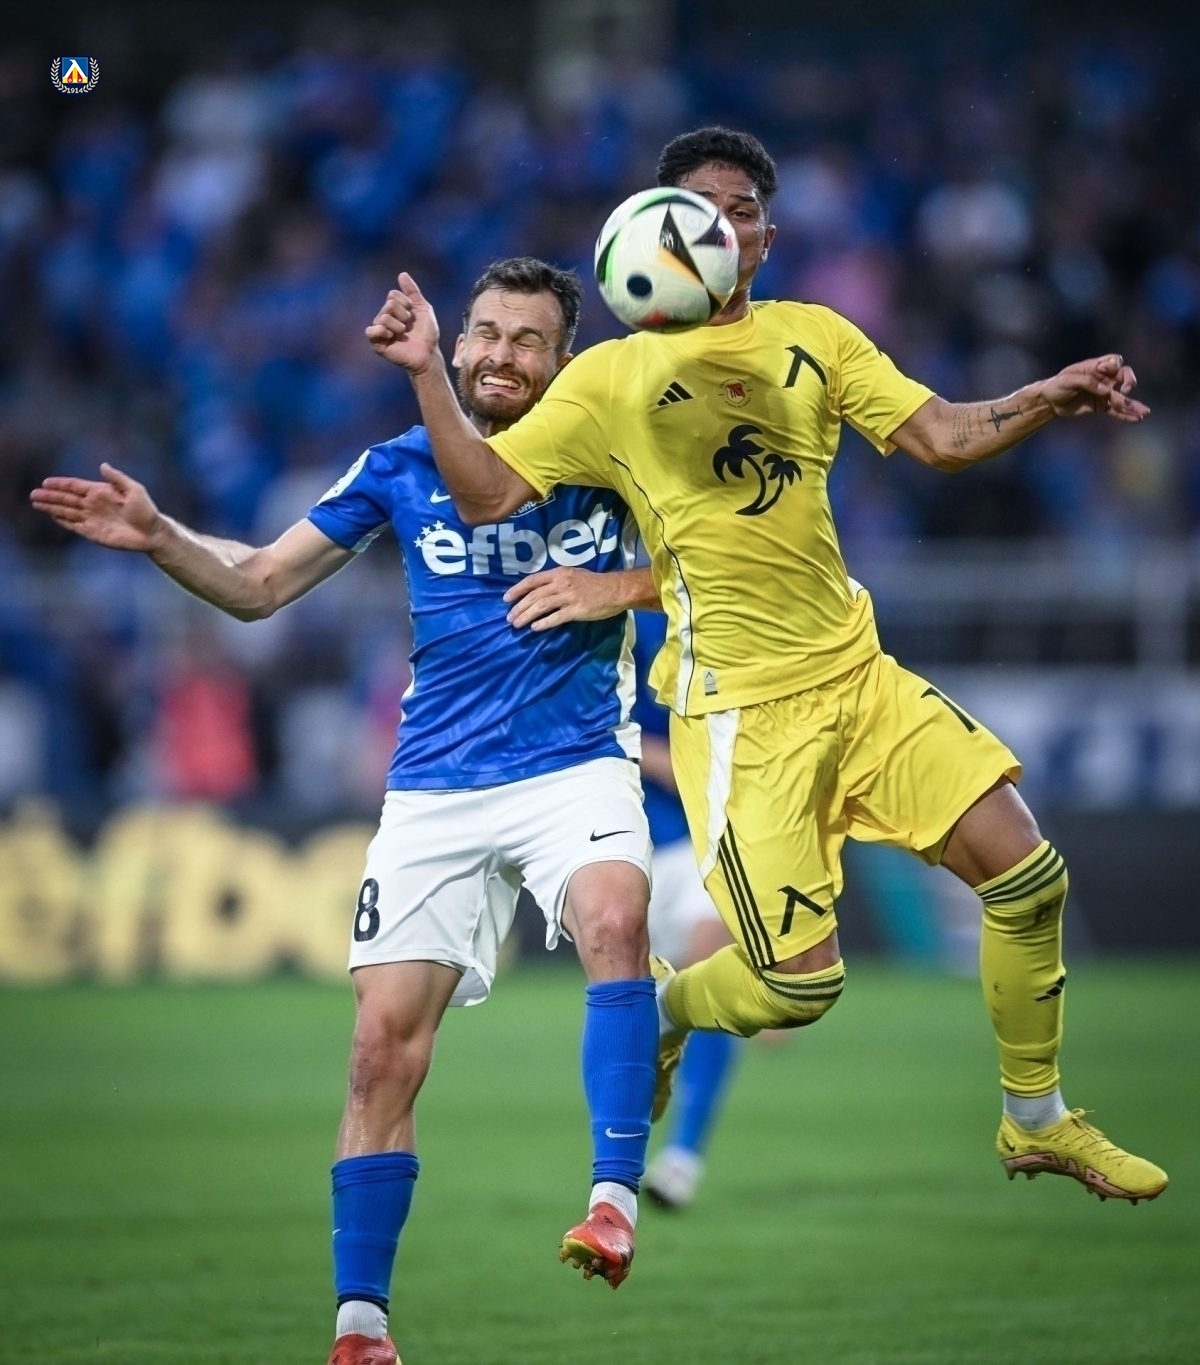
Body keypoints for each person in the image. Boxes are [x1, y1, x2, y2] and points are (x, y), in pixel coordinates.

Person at [363, 128, 1169, 1207]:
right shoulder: (609, 378)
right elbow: (487, 495)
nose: (718, 227)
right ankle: (664, 1011)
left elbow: (939, 435)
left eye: (738, 211)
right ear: (653, 231)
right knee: (799, 989)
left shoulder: (815, 337)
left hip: (858, 674)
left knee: (1030, 875)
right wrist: (430, 375)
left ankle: (1037, 1117)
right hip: (741, 713)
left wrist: (1045, 398)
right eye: (695, 209)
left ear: (764, 241)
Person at [31, 257, 666, 1365]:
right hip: (434, 785)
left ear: (566, 362)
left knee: (615, 917)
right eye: (487, 333)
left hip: (574, 764)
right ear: (460, 343)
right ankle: (360, 1327)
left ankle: (613, 1197)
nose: (503, 355)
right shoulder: (397, 466)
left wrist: (615, 587)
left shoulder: (615, 453)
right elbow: (260, 584)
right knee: (379, 1052)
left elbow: (732, 562)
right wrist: (164, 536)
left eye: (530, 340)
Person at [632, 606, 744, 1211]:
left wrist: (638, 751)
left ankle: (683, 1156)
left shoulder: (703, 628)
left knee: (706, 976)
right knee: (641, 1010)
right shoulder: (582, 626)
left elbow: (712, 766)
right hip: (618, 851)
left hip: (698, 846)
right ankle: (617, 1167)